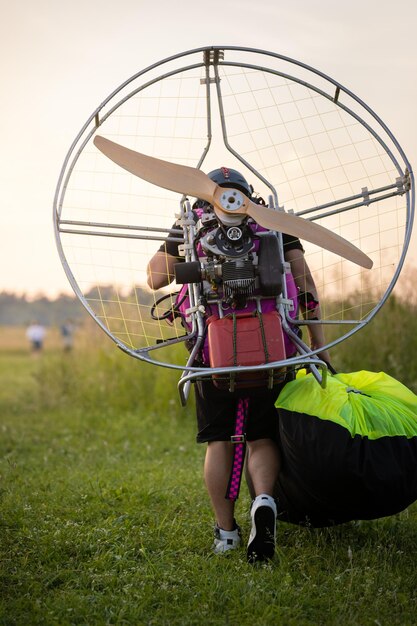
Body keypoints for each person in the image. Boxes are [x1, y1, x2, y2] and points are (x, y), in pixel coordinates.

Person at [147, 167, 329, 563]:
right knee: (261, 437)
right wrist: (320, 347)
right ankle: (263, 501)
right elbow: (307, 286)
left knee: (220, 441)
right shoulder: (274, 220)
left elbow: (155, 278)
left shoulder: (192, 223)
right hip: (273, 347)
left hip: (213, 352)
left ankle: (226, 533)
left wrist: (188, 246)